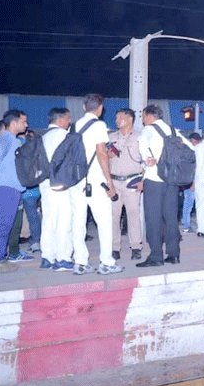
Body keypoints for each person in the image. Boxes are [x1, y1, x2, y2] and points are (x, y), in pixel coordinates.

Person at [68, 94, 123, 275]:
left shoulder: (74, 126)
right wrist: (109, 182)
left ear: (84, 107)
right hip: (95, 182)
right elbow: (101, 153)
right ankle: (106, 262)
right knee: (104, 222)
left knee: (78, 222)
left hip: (76, 182)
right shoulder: (99, 125)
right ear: (100, 109)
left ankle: (80, 262)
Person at [137, 104, 188, 267]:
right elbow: (190, 148)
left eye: (143, 117)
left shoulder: (148, 130)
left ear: (150, 117)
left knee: (153, 219)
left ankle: (156, 256)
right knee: (171, 218)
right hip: (171, 181)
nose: (143, 121)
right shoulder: (173, 130)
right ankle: (174, 254)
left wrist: (149, 160)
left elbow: (143, 149)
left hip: (154, 180)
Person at [0, 110, 28, 269]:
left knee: (5, 223)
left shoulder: (12, 139)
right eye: (24, 121)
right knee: (3, 224)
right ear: (14, 123)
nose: (26, 125)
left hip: (11, 187)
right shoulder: (7, 138)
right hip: (6, 188)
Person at [39, 107, 75, 270]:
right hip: (62, 184)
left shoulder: (42, 137)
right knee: (64, 221)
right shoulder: (64, 136)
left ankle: (47, 257)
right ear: (61, 120)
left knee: (48, 220)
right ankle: (63, 258)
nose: (69, 122)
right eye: (68, 119)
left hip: (45, 184)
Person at [107, 108, 145, 261]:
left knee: (133, 214)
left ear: (130, 119)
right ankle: (115, 247)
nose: (117, 120)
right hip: (114, 181)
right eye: (116, 117)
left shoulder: (140, 138)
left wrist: (143, 180)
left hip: (132, 181)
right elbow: (105, 158)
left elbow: (147, 162)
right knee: (113, 216)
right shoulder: (110, 137)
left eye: (120, 117)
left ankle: (136, 246)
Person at [180, 133, 202, 233]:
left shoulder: (195, 151)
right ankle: (186, 225)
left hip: (194, 181)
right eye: (193, 142)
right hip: (189, 182)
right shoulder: (188, 152)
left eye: (197, 142)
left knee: (194, 203)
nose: (195, 144)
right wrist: (193, 182)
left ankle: (190, 223)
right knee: (188, 203)